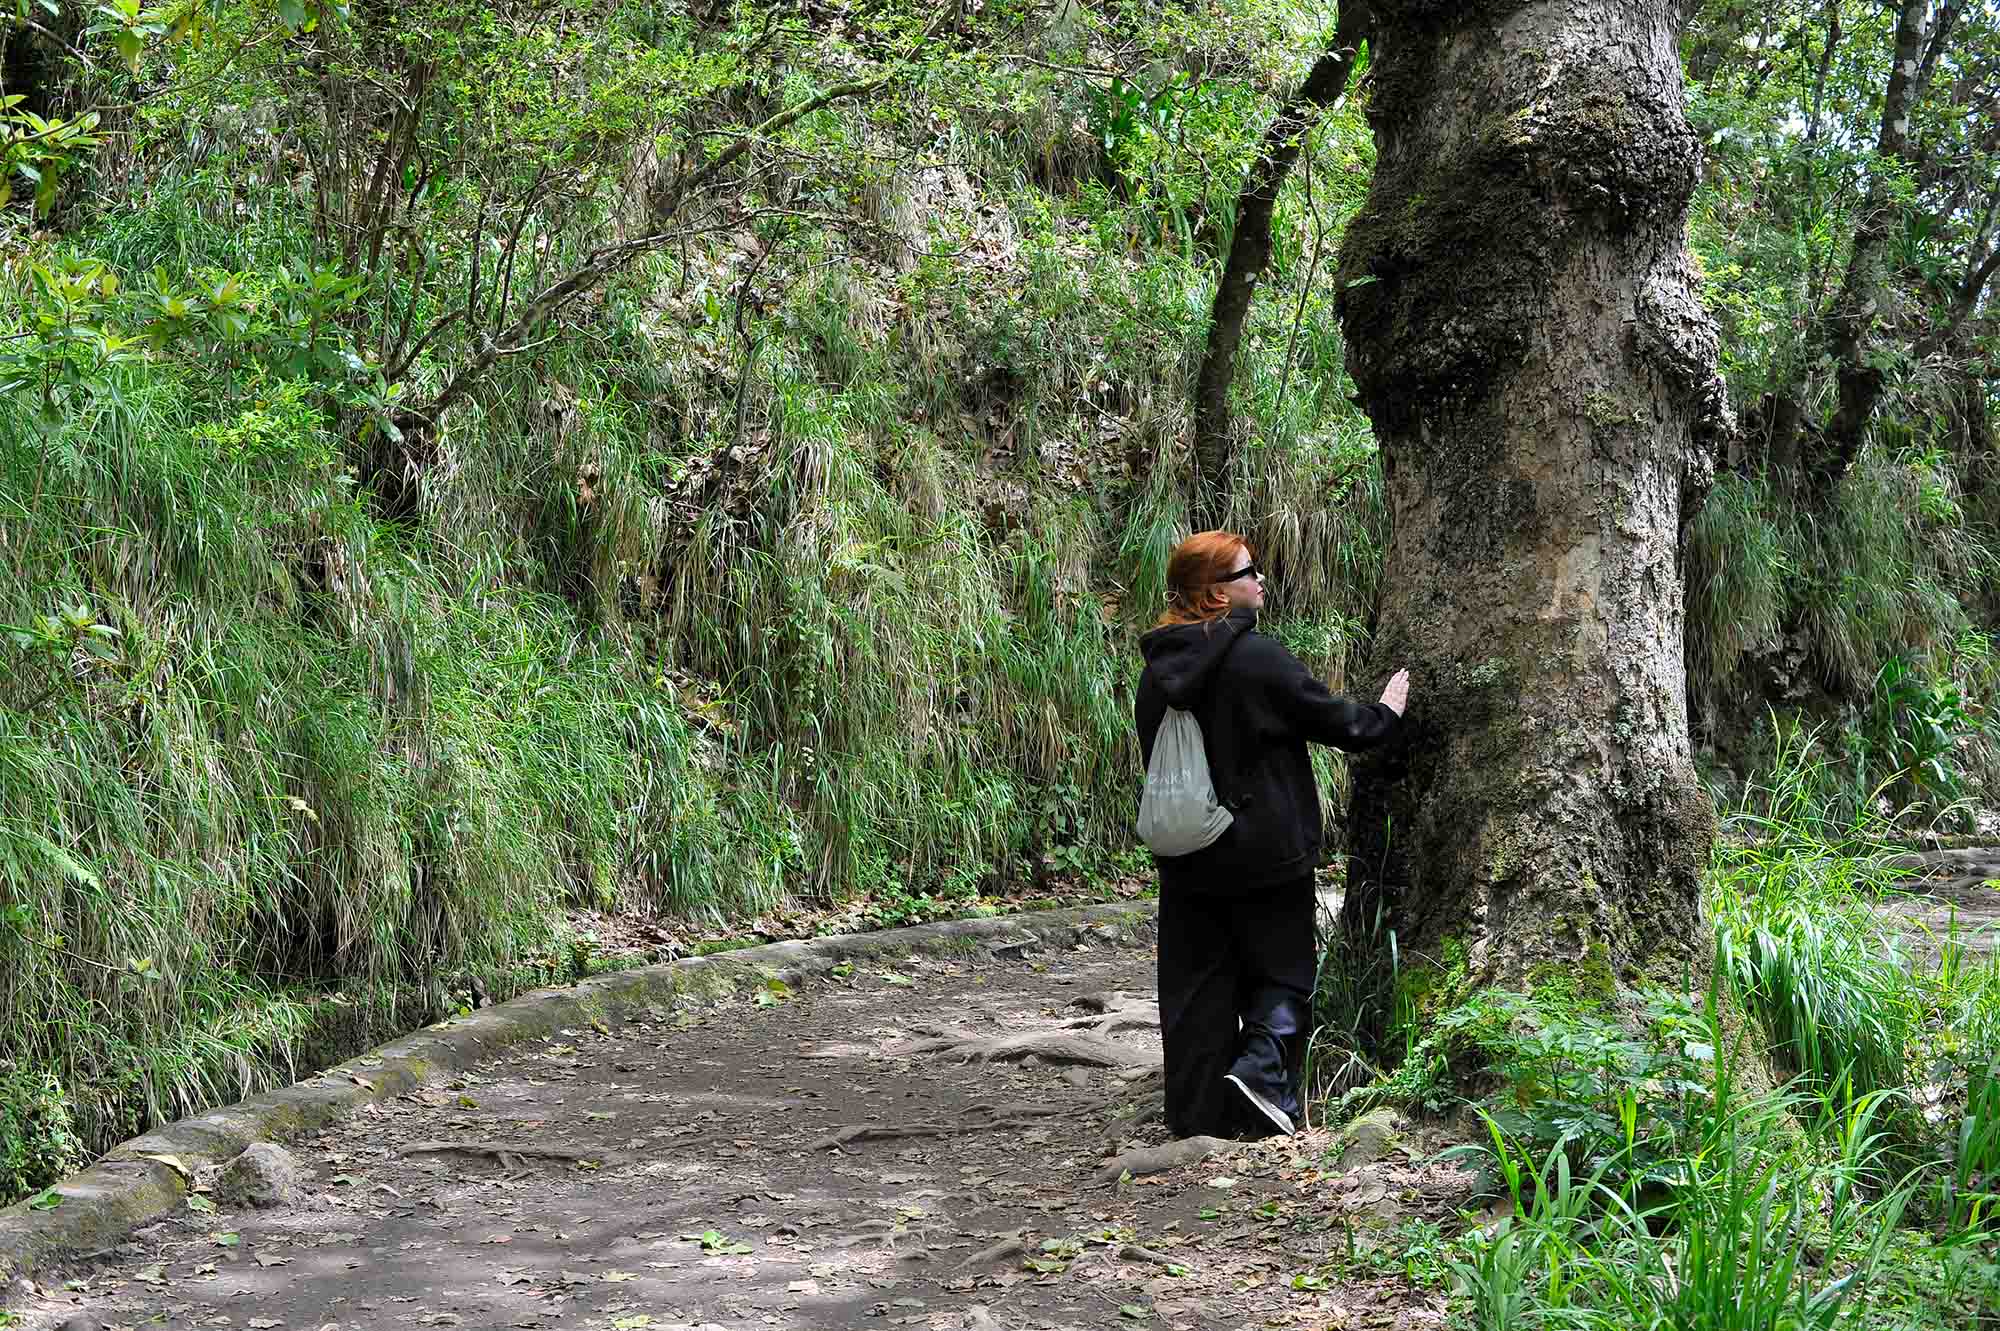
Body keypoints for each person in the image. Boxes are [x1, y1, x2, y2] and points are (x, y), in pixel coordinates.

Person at [1134, 531, 1408, 1139]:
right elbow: (1336, 721)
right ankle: (1260, 1080)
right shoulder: (1256, 657)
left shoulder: (1156, 671)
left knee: (1195, 986)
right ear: (1215, 592)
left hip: (1188, 853)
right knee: (1281, 974)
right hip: (1266, 854)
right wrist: (1385, 713)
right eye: (1247, 572)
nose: (1261, 580)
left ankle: (1196, 1115)